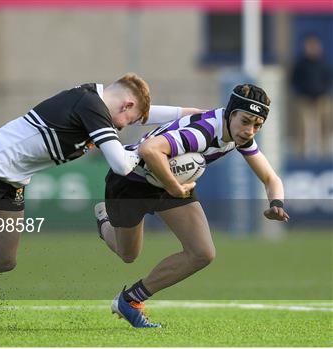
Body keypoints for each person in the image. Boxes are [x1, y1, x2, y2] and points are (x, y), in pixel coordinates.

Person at [0, 73, 202, 331]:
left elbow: (149, 114)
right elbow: (119, 163)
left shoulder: (102, 101)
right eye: (127, 122)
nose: (126, 127)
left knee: (4, 259)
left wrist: (203, 117)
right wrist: (148, 155)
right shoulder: (91, 106)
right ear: (126, 104)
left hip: (13, 180)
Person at [94, 84, 290, 328]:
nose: (250, 130)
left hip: (170, 179)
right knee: (128, 254)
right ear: (231, 113)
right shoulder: (204, 131)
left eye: (257, 125)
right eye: (246, 121)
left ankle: (131, 300)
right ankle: (104, 217)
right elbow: (149, 149)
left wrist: (276, 203)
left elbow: (271, 178)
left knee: (202, 253)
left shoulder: (238, 134)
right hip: (131, 181)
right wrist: (174, 187)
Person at [290, 34, 333, 158]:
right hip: (304, 99)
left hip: (321, 98)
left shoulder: (323, 62)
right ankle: (301, 152)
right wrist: (299, 93)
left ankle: (324, 151)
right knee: (302, 126)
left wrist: (324, 91)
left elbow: (328, 78)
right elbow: (294, 80)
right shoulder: (300, 63)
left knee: (324, 124)